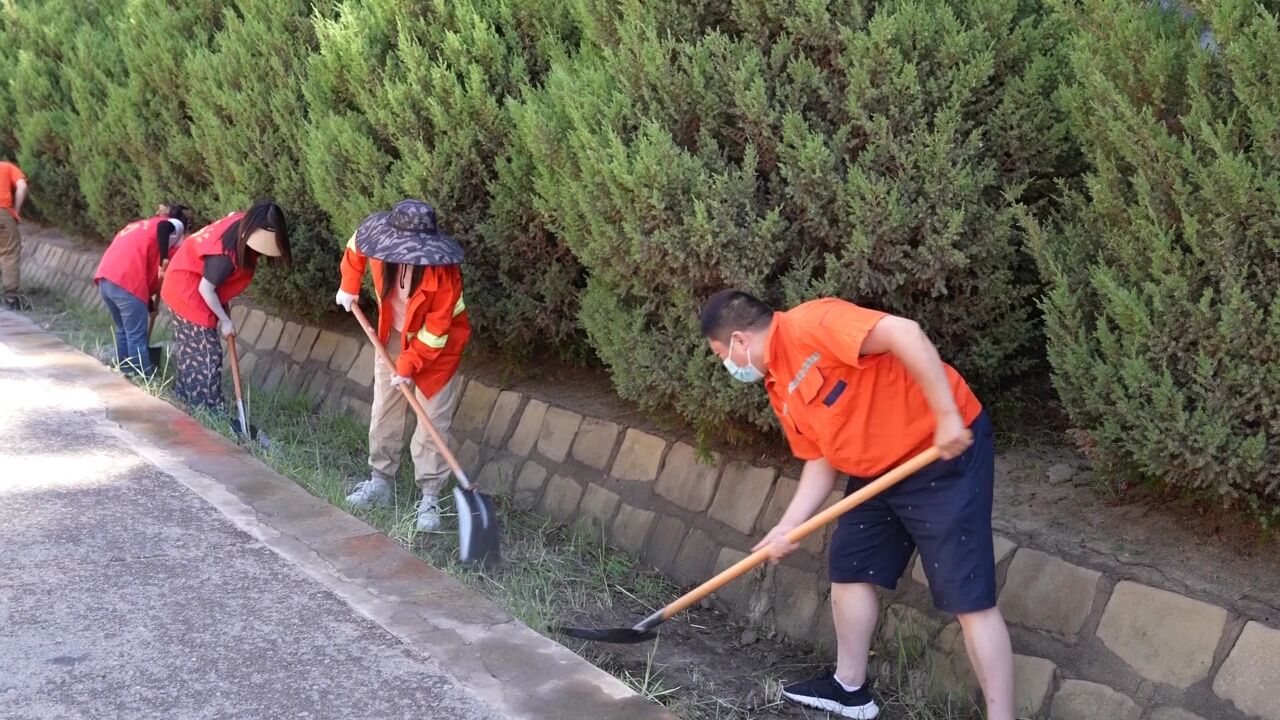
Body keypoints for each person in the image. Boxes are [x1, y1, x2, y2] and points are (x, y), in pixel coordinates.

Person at [699, 290, 1013, 720]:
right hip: (876, 470)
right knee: (850, 566)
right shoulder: (777, 385)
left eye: (721, 355)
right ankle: (850, 691)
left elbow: (905, 333)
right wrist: (788, 526)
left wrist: (945, 416)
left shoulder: (814, 324)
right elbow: (819, 459)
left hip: (938, 452)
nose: (727, 366)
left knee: (967, 594)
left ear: (739, 340)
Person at [334, 199, 470, 533]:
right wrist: (348, 287)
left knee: (432, 420)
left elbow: (437, 334)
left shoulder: (445, 276)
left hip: (438, 350)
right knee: (385, 407)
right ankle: (380, 481)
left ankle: (429, 496)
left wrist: (407, 365)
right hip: (392, 334)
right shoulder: (381, 244)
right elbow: (354, 247)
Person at [160, 200, 290, 411]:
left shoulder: (240, 220)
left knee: (191, 352)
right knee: (207, 353)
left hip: (184, 281)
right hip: (186, 290)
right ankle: (206, 408)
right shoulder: (225, 256)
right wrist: (225, 321)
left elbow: (231, 212)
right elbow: (206, 289)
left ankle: (185, 400)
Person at [93, 203, 195, 376]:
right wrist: (164, 261)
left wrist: (148, 305)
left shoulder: (140, 227)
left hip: (106, 279)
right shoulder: (172, 225)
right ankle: (144, 380)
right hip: (127, 282)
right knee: (135, 337)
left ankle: (125, 373)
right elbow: (165, 228)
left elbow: (140, 267)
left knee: (123, 330)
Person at [0, 159, 29, 309]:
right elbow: (22, 186)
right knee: (9, 252)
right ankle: (11, 298)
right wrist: (16, 212)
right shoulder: (6, 167)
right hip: (2, 214)